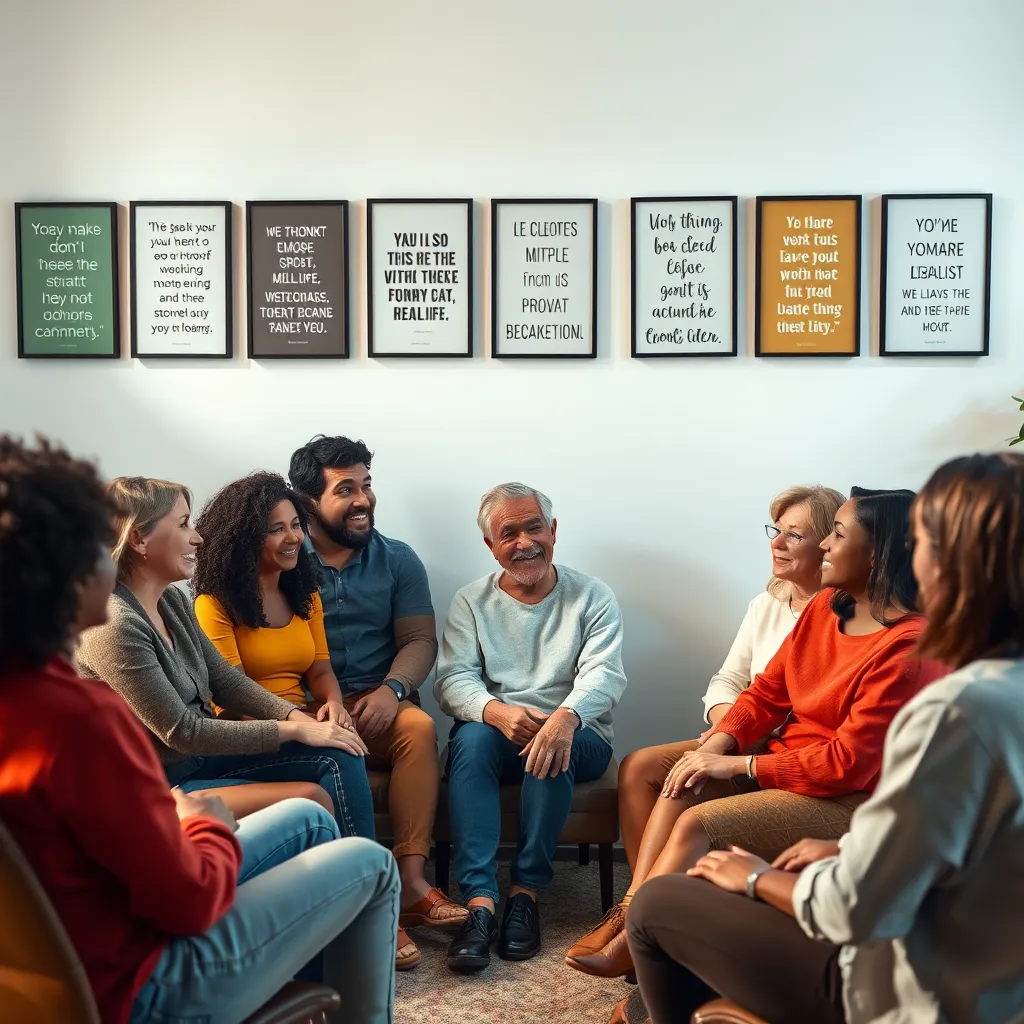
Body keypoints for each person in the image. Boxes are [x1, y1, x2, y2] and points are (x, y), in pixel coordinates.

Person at [0, 435, 398, 1024]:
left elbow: (221, 682)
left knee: (313, 817)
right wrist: (206, 825)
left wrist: (296, 720)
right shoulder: (82, 715)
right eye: (96, 544)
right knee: (372, 865)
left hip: (80, 963)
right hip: (146, 984)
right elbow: (185, 902)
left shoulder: (29, 696)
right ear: (69, 568)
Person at [620, 452, 1024, 1024]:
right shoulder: (997, 686)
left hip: (913, 989)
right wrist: (844, 850)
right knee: (664, 789)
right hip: (982, 970)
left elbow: (856, 907)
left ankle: (645, 947)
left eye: (925, 540)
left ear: (952, 561)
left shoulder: (953, 707)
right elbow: (951, 845)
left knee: (663, 901)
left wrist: (757, 878)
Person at [568, 487, 946, 980]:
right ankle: (637, 917)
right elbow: (767, 690)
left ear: (877, 552)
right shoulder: (828, 605)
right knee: (682, 777)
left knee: (697, 823)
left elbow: (847, 765)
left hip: (851, 797)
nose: (825, 545)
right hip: (791, 765)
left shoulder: (908, 646)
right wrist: (718, 744)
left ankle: (641, 938)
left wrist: (738, 764)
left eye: (836, 534)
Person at [192, 469, 422, 970]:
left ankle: (362, 897)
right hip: (244, 733)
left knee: (338, 741)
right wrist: (306, 724)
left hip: (297, 723)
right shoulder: (214, 604)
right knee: (336, 754)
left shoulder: (304, 593)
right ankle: (374, 900)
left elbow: (319, 668)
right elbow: (231, 694)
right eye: (275, 529)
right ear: (245, 537)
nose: (292, 537)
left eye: (295, 525)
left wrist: (333, 704)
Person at [75, 476, 376, 839]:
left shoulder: (171, 601)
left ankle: (369, 872)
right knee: (310, 799)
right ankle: (356, 870)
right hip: (158, 786)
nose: (197, 538)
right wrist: (297, 729)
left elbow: (226, 681)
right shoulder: (113, 625)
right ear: (138, 539)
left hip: (199, 762)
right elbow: (184, 732)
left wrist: (300, 718)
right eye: (183, 524)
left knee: (340, 748)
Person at [434, 482, 627, 970]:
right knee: (472, 739)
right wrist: (495, 711)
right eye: (509, 534)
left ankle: (525, 893)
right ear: (490, 545)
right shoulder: (471, 601)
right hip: (498, 731)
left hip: (579, 734)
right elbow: (452, 679)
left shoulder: (592, 596)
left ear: (553, 530)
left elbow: (605, 675)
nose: (525, 543)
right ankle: (479, 905)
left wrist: (565, 717)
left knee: (552, 745)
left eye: (534, 527)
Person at [289, 435, 467, 960]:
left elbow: (419, 640)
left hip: (378, 703)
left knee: (419, 728)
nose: (364, 499)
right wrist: (311, 712)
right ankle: (366, 894)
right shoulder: (283, 558)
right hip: (306, 707)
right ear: (308, 502)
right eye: (345, 489)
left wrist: (394, 691)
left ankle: (411, 882)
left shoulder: (398, 559)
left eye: (366, 485)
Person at [620, 485, 845, 877]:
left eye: (794, 535)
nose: (777, 543)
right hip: (749, 734)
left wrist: (744, 735)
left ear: (828, 544)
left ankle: (644, 902)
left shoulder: (848, 615)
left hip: (796, 751)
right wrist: (729, 729)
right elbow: (729, 680)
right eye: (776, 530)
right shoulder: (766, 604)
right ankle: (640, 899)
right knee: (639, 767)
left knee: (687, 787)